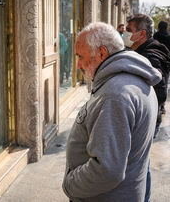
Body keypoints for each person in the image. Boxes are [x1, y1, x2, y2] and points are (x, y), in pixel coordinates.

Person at [62, 22, 161, 202]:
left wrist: (70, 185)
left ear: (101, 53)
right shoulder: (130, 81)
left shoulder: (115, 95)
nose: (78, 65)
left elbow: (106, 170)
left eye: (80, 56)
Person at [125, 13, 170, 202]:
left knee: (141, 164)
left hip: (146, 119)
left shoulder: (150, 55)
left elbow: (159, 91)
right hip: (145, 117)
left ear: (141, 33)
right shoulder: (143, 49)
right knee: (141, 162)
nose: (126, 34)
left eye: (129, 31)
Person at [154, 21, 170, 114]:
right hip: (166, 64)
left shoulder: (156, 35)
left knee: (155, 83)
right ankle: (162, 106)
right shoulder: (169, 37)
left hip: (156, 61)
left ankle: (156, 104)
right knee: (165, 83)